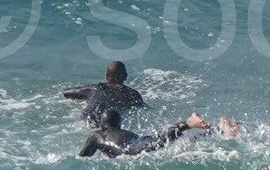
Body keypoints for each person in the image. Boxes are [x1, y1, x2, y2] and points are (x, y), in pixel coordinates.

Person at [62, 61, 236, 157]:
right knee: (165, 141)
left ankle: (192, 124)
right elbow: (147, 111)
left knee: (165, 143)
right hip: (138, 140)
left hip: (128, 143)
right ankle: (216, 130)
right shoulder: (131, 96)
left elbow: (67, 93)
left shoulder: (95, 91)